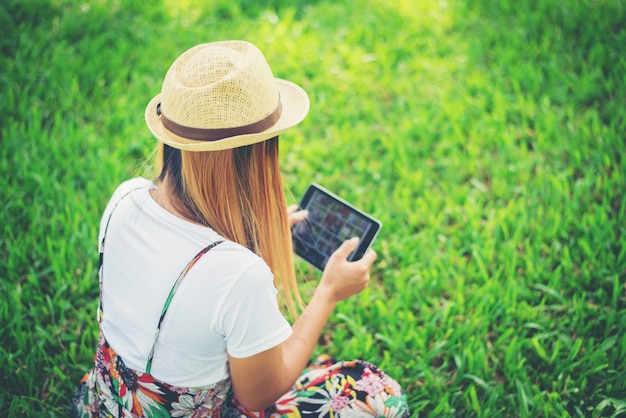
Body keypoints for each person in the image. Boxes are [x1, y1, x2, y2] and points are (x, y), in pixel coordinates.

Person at [72, 40, 410, 417]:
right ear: (255, 156)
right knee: (379, 395)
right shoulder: (240, 276)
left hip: (105, 406)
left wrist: (251, 238)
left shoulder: (124, 198)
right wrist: (328, 292)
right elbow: (256, 397)